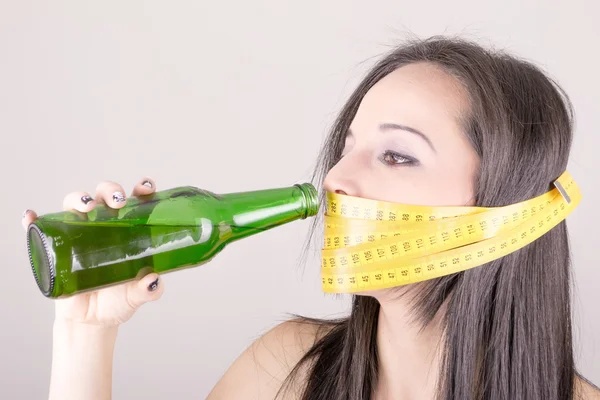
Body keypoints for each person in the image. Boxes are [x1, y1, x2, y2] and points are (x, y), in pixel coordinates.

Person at [22, 36, 600, 400]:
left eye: (397, 155)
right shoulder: (282, 370)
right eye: (345, 147)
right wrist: (86, 333)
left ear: (505, 211)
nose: (336, 180)